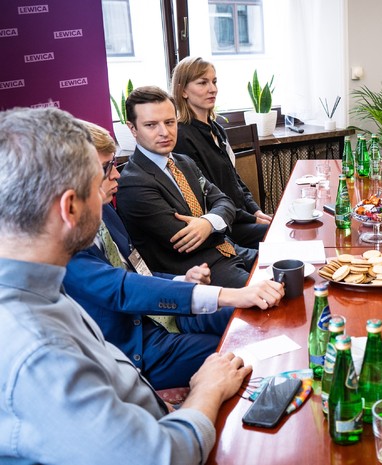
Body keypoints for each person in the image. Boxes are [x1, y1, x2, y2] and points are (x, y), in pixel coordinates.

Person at [0, 107, 251, 464]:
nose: (114, 179)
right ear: (70, 208)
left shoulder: (40, 285)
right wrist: (206, 389)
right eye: (99, 178)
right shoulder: (40, 350)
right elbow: (159, 456)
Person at [64, 122, 284, 389]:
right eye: (106, 168)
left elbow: (137, 271)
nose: (116, 175)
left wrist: (182, 280)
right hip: (139, 346)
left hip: (168, 312)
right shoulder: (65, 244)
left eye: (170, 121)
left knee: (253, 318)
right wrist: (229, 294)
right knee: (238, 348)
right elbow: (121, 288)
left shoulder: (106, 211)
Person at [117, 86, 252, 287]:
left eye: (169, 122)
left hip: (232, 251)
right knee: (278, 293)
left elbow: (225, 201)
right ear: (132, 128)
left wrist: (208, 222)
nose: (164, 132)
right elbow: (184, 240)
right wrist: (217, 220)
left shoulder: (184, 162)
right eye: (151, 125)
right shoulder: (133, 183)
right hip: (198, 273)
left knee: (296, 264)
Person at [172, 56, 271, 249]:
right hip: (222, 226)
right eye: (203, 83)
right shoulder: (182, 136)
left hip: (241, 217)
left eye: (214, 81)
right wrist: (252, 218)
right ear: (183, 90)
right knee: (281, 234)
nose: (213, 89)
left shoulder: (217, 129)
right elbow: (208, 195)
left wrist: (255, 210)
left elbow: (235, 180)